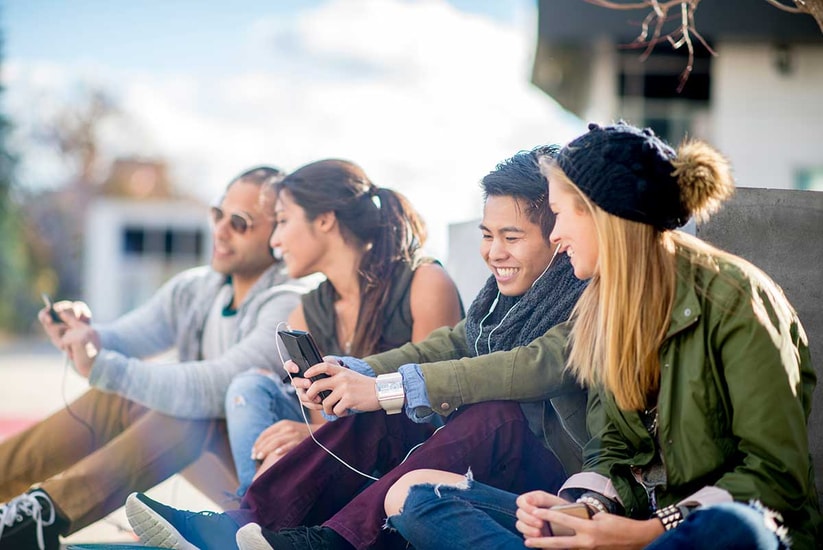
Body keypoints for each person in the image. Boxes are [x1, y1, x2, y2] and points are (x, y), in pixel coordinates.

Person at [124, 146, 589, 550]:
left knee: (491, 415)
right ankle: (241, 525)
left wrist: (384, 389)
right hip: (486, 461)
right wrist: (357, 373)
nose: (494, 252)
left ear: (556, 236)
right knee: (334, 401)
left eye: (511, 237)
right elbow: (449, 344)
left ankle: (334, 540)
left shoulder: (582, 297)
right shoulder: (499, 302)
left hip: (553, 483)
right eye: (488, 236)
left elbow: (528, 366)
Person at [383, 123, 821, 549]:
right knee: (417, 497)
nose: (556, 234)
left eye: (560, 214)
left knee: (733, 527)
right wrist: (582, 509)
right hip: (624, 530)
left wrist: (650, 531)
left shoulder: (736, 300)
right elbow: (611, 448)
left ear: (603, 215)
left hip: (702, 531)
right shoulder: (604, 304)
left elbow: (774, 475)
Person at [0, 166, 308, 550]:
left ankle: (41, 518)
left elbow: (215, 387)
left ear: (277, 233)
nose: (220, 231)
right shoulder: (197, 288)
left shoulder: (289, 301)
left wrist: (104, 365)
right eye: (217, 215)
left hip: (270, 483)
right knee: (120, 394)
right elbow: (124, 339)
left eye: (240, 223)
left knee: (189, 409)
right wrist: (84, 333)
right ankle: (24, 509)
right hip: (211, 454)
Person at [223, 158, 464, 496]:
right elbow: (322, 421)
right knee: (249, 388)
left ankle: (251, 513)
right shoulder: (306, 313)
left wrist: (312, 438)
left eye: (283, 221)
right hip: (339, 460)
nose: (275, 241)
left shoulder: (424, 283)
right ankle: (254, 508)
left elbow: (430, 410)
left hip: (407, 459)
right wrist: (308, 435)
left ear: (324, 220)